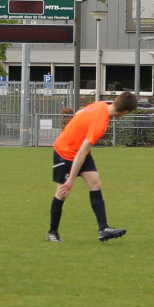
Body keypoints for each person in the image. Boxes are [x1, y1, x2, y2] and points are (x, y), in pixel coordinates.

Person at [47, 91, 139, 243]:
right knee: (62, 192)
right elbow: (82, 152)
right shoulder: (100, 124)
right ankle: (52, 232)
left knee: (95, 184)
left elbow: (79, 113)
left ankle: (103, 229)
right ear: (125, 112)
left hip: (79, 149)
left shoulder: (100, 105)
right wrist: (70, 179)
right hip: (65, 151)